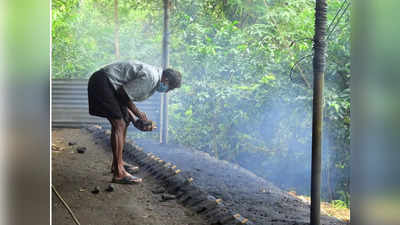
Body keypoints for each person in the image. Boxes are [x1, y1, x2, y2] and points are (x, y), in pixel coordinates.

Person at [87, 60, 182, 184]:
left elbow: (122, 97)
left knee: (124, 121)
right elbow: (124, 94)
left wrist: (136, 120)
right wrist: (139, 115)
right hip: (102, 82)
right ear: (166, 81)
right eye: (170, 88)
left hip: (109, 86)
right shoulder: (151, 78)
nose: (167, 91)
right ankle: (119, 173)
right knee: (119, 124)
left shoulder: (153, 77)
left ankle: (118, 164)